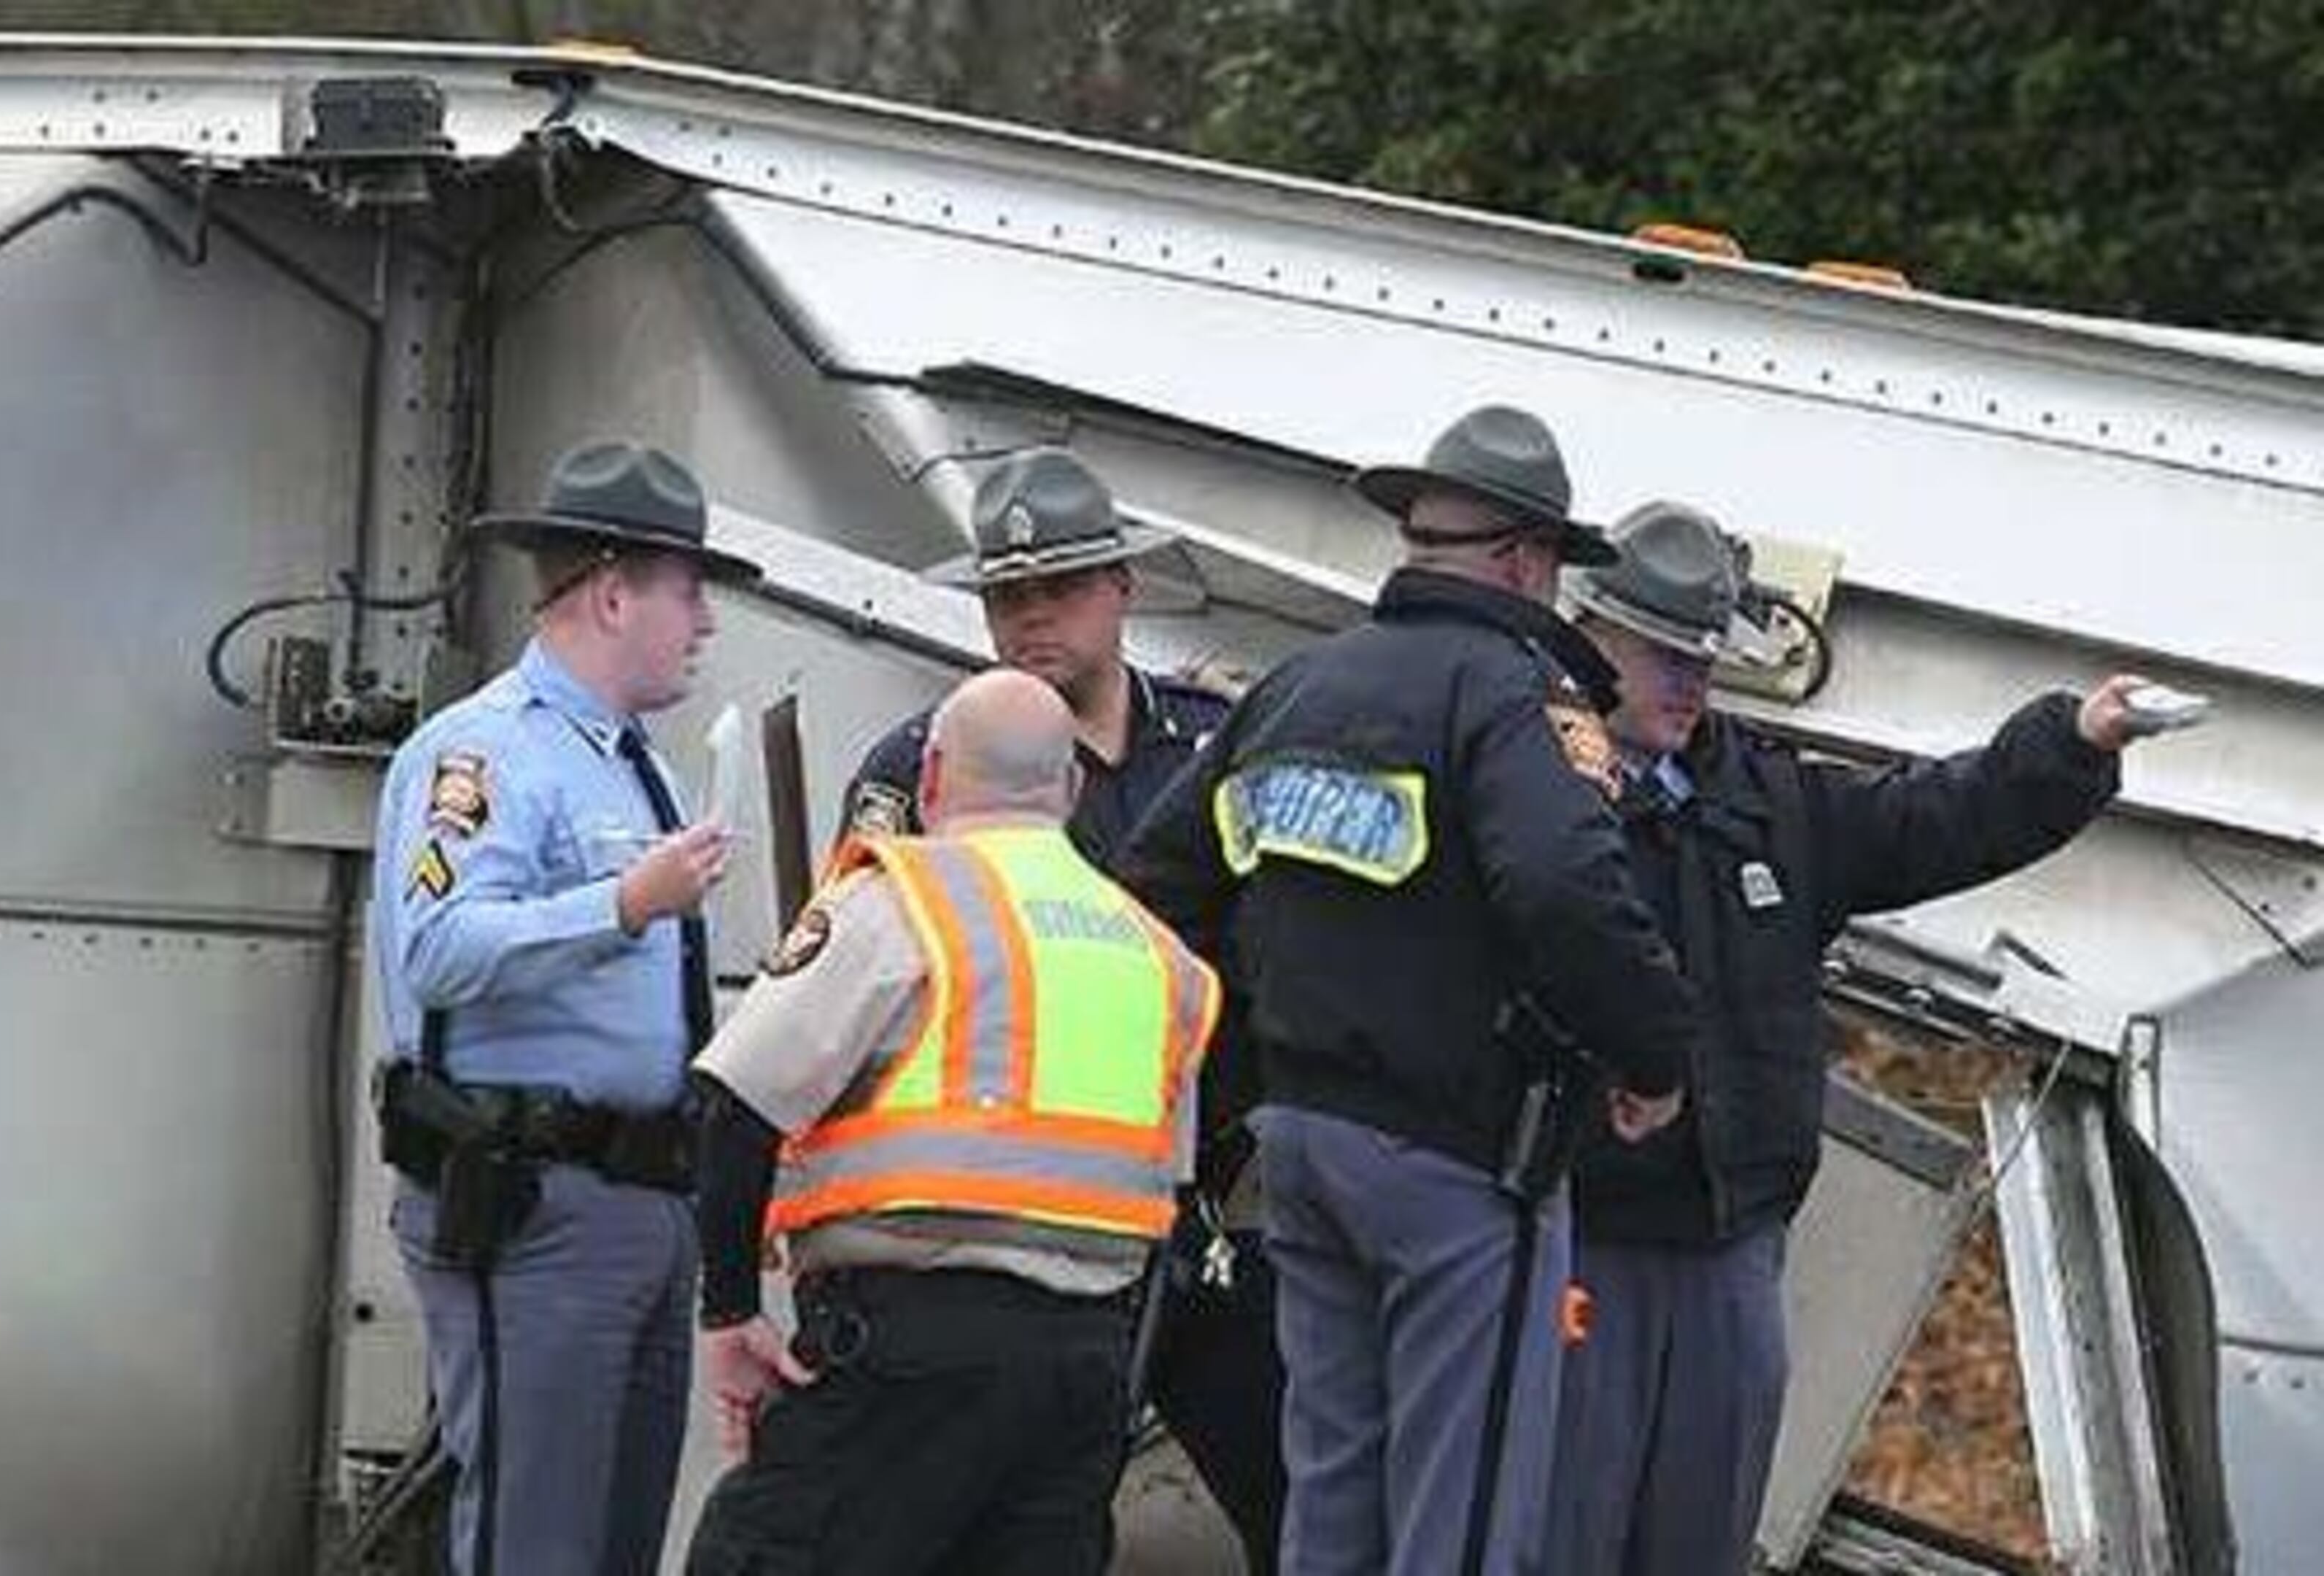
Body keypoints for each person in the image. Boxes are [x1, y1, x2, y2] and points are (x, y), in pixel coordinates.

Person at [1122, 404, 1700, 1576]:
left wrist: (1246, 1065)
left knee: (1335, 1490)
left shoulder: (1296, 689)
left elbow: (1155, 886)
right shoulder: (1516, 696)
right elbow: (1563, 887)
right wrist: (1652, 1055)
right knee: (1468, 1504)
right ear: (1529, 558)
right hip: (1461, 1165)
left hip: (1302, 1151)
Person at [1542, 500, 2153, 1575]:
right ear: (1587, 633)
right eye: (1663, 653)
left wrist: (2070, 744)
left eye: (1705, 656)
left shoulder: (1761, 799)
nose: (1690, 679)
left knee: (1699, 1539)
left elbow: (1935, 820)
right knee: (1562, 1532)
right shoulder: (1534, 794)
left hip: (1732, 1243)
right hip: (1582, 1232)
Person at [835, 446, 1284, 1567]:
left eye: (1062, 589)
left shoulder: (1208, 744)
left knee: (1298, 1492)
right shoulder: (930, 769)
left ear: (1122, 590)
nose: (1032, 619)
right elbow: (862, 978)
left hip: (1198, 1205)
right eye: (1008, 597)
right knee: (1031, 1526)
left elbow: (1274, 955)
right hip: (1018, 1236)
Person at [683, 668, 1222, 1576]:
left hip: (908, 1354)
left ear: (929, 778)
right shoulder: (1158, 958)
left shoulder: (903, 903)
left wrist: (729, 1312)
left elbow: (736, 1103)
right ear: (1072, 788)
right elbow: (1166, 1180)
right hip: (1086, 1367)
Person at [368, 439, 759, 1576]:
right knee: (534, 1542)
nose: (705, 623)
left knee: (616, 1544)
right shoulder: (485, 755)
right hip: (531, 1204)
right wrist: (626, 903)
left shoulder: (637, 766)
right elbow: (436, 949)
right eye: (690, 592)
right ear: (612, 589)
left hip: (642, 1200)